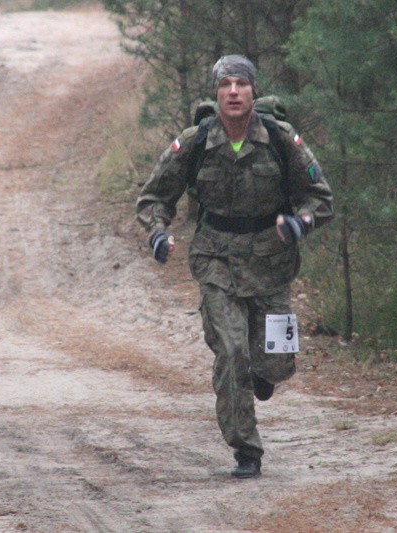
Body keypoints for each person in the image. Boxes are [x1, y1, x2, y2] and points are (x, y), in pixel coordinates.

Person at [136, 55, 334, 478]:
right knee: (232, 351)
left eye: (240, 84)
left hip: (272, 263)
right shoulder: (195, 141)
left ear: (253, 91)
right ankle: (246, 450)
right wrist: (157, 232)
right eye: (225, 84)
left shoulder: (281, 139)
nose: (233, 92)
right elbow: (154, 196)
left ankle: (264, 374)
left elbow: (319, 196)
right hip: (216, 260)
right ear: (216, 93)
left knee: (278, 364)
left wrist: (301, 222)